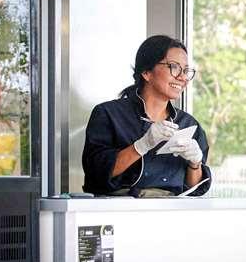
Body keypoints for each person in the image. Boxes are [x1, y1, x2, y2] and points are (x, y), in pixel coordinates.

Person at [82, 35, 210, 197]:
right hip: (118, 210)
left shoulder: (188, 124)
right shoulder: (108, 114)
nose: (183, 77)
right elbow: (97, 173)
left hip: (172, 212)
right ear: (146, 72)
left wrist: (195, 163)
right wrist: (141, 145)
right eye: (174, 67)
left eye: (186, 70)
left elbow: (194, 189)